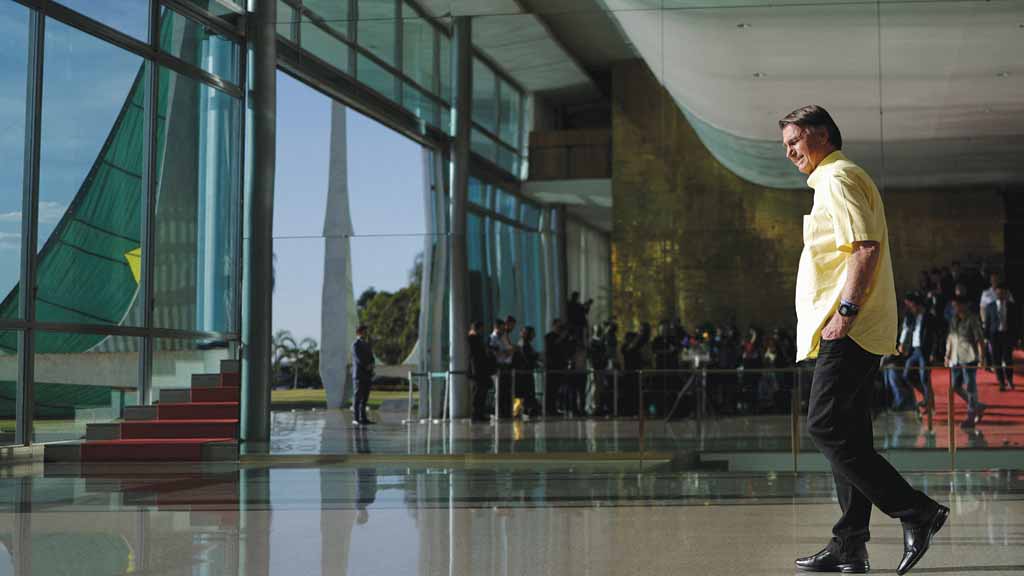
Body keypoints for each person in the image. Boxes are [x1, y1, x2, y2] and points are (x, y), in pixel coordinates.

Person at [781, 105, 947, 576]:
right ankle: (849, 545)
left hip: (849, 328)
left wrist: (846, 313)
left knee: (825, 426)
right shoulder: (834, 180)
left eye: (795, 141)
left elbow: (865, 248)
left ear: (822, 135)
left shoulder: (838, 178)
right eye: (786, 146)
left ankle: (916, 510)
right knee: (848, 434)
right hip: (850, 327)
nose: (789, 153)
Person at [946, 295, 987, 427]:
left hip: (969, 357)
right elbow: (951, 338)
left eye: (957, 305)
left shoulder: (972, 319)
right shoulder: (953, 319)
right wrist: (947, 355)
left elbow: (979, 339)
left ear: (964, 305)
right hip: (955, 357)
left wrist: (982, 358)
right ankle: (977, 406)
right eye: (954, 306)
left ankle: (971, 415)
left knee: (970, 386)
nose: (955, 308)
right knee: (955, 386)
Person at [899, 292, 943, 413]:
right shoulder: (911, 317)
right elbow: (906, 330)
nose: (910, 308)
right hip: (914, 350)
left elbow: (936, 337)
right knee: (906, 375)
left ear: (917, 304)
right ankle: (927, 398)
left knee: (925, 378)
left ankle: (930, 405)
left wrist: (933, 352)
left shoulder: (929, 317)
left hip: (925, 351)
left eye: (911, 306)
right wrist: (903, 344)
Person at [984, 284, 1019, 391]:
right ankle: (1001, 382)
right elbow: (987, 323)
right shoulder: (990, 306)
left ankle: (1010, 380)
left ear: (1006, 294)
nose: (1000, 295)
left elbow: (1017, 323)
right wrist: (986, 337)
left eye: (1002, 293)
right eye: (998, 293)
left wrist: (1017, 337)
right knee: (996, 359)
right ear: (995, 293)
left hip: (1007, 335)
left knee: (1008, 359)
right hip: (995, 336)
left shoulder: (1012, 306)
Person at [468, 321, 496, 421]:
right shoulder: (473, 339)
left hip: (479, 369)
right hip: (478, 370)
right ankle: (477, 413)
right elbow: (477, 355)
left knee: (481, 392)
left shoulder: (475, 339)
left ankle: (479, 413)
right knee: (479, 392)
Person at [351, 325, 375, 425]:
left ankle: (363, 418)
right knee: (357, 397)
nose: (366, 333)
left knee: (365, 398)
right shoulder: (355, 344)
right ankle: (356, 418)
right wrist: (366, 366)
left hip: (367, 375)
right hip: (359, 375)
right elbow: (358, 359)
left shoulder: (367, 344)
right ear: (359, 332)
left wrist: (372, 365)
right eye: (364, 331)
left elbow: (371, 357)